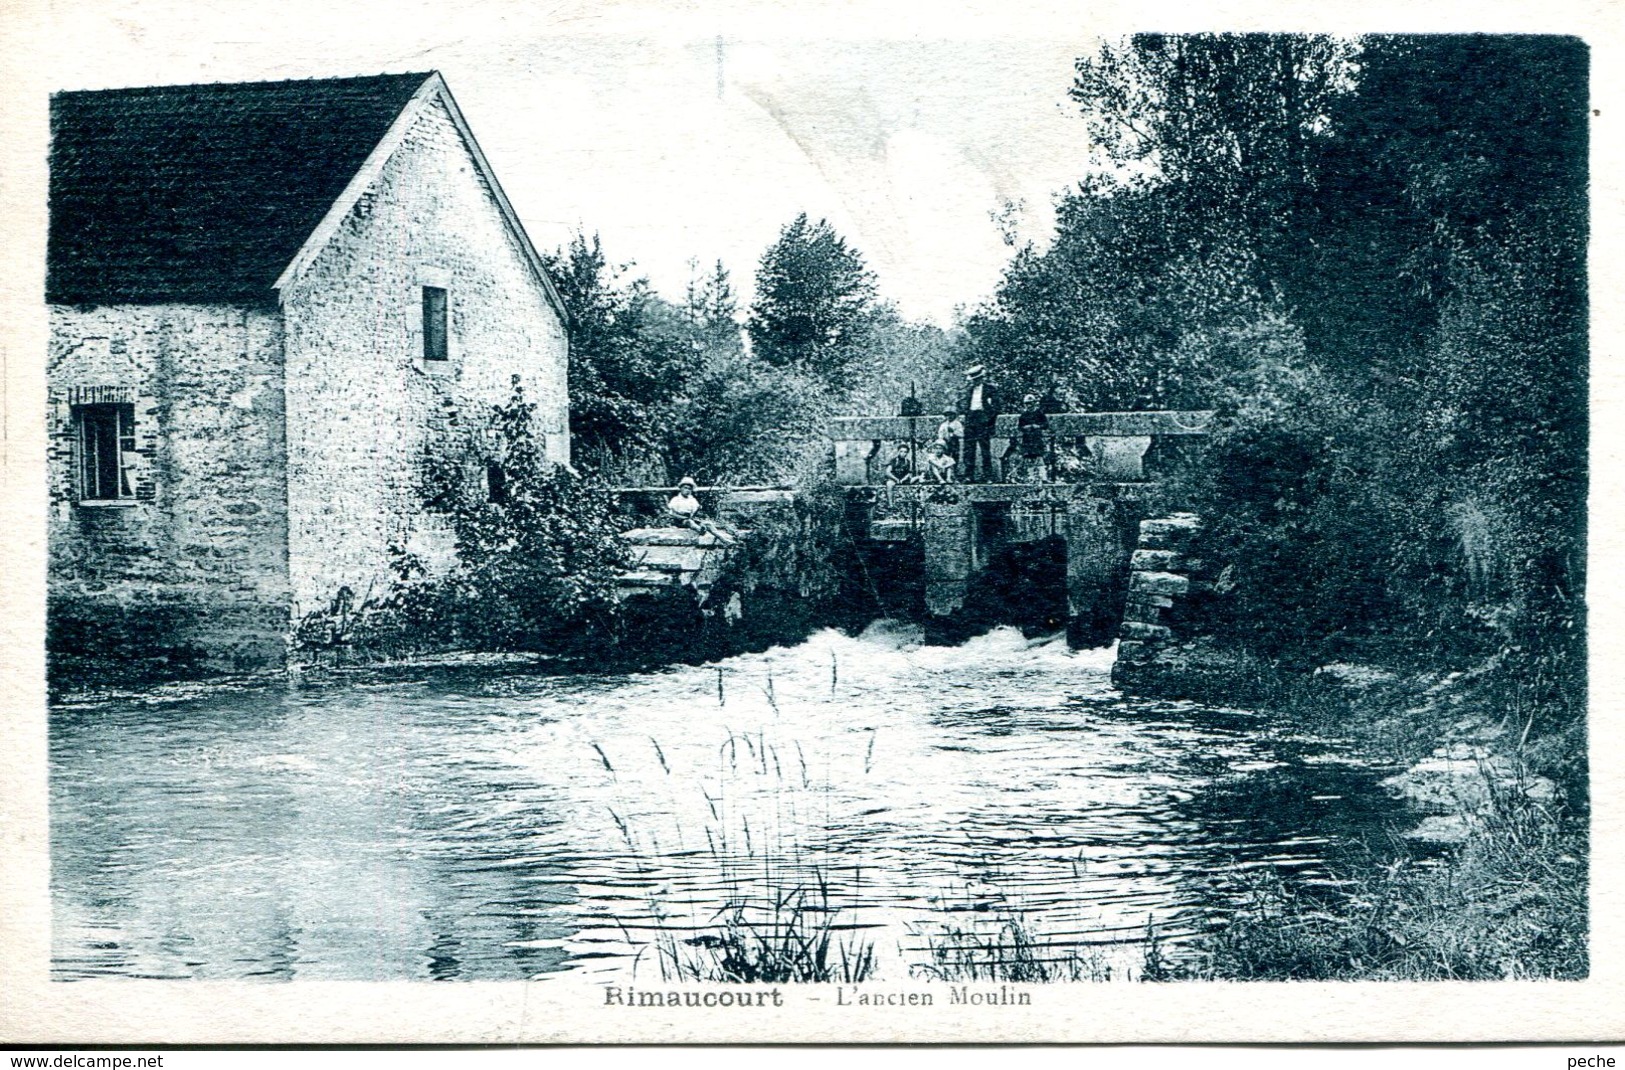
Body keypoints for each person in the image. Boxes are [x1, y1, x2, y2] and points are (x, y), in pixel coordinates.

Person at [959, 364, 1001, 482]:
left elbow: (996, 407)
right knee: (969, 449)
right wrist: (966, 416)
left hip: (983, 420)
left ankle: (988, 476)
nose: (975, 382)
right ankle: (969, 475)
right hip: (970, 420)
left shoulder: (990, 389)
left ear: (982, 378)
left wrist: (989, 419)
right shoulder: (969, 390)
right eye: (973, 380)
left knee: (985, 449)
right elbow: (964, 405)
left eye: (977, 379)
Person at [667, 476, 737, 544]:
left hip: (690, 518)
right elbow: (671, 514)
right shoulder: (676, 499)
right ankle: (700, 530)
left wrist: (697, 512)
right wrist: (683, 517)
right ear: (681, 488)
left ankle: (723, 539)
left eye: (689, 489)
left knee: (708, 524)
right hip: (679, 520)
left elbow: (695, 512)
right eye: (685, 488)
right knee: (689, 522)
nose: (687, 490)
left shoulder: (692, 500)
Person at [1016, 393, 1050, 483]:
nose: (1029, 406)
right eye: (1027, 404)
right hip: (1027, 438)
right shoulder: (1024, 415)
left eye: (1030, 403)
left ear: (1034, 404)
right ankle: (1031, 477)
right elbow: (1020, 426)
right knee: (1028, 458)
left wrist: (1038, 426)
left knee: (1039, 457)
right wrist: (1025, 427)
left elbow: (1046, 425)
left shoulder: (1039, 413)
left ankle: (1043, 477)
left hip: (1037, 438)